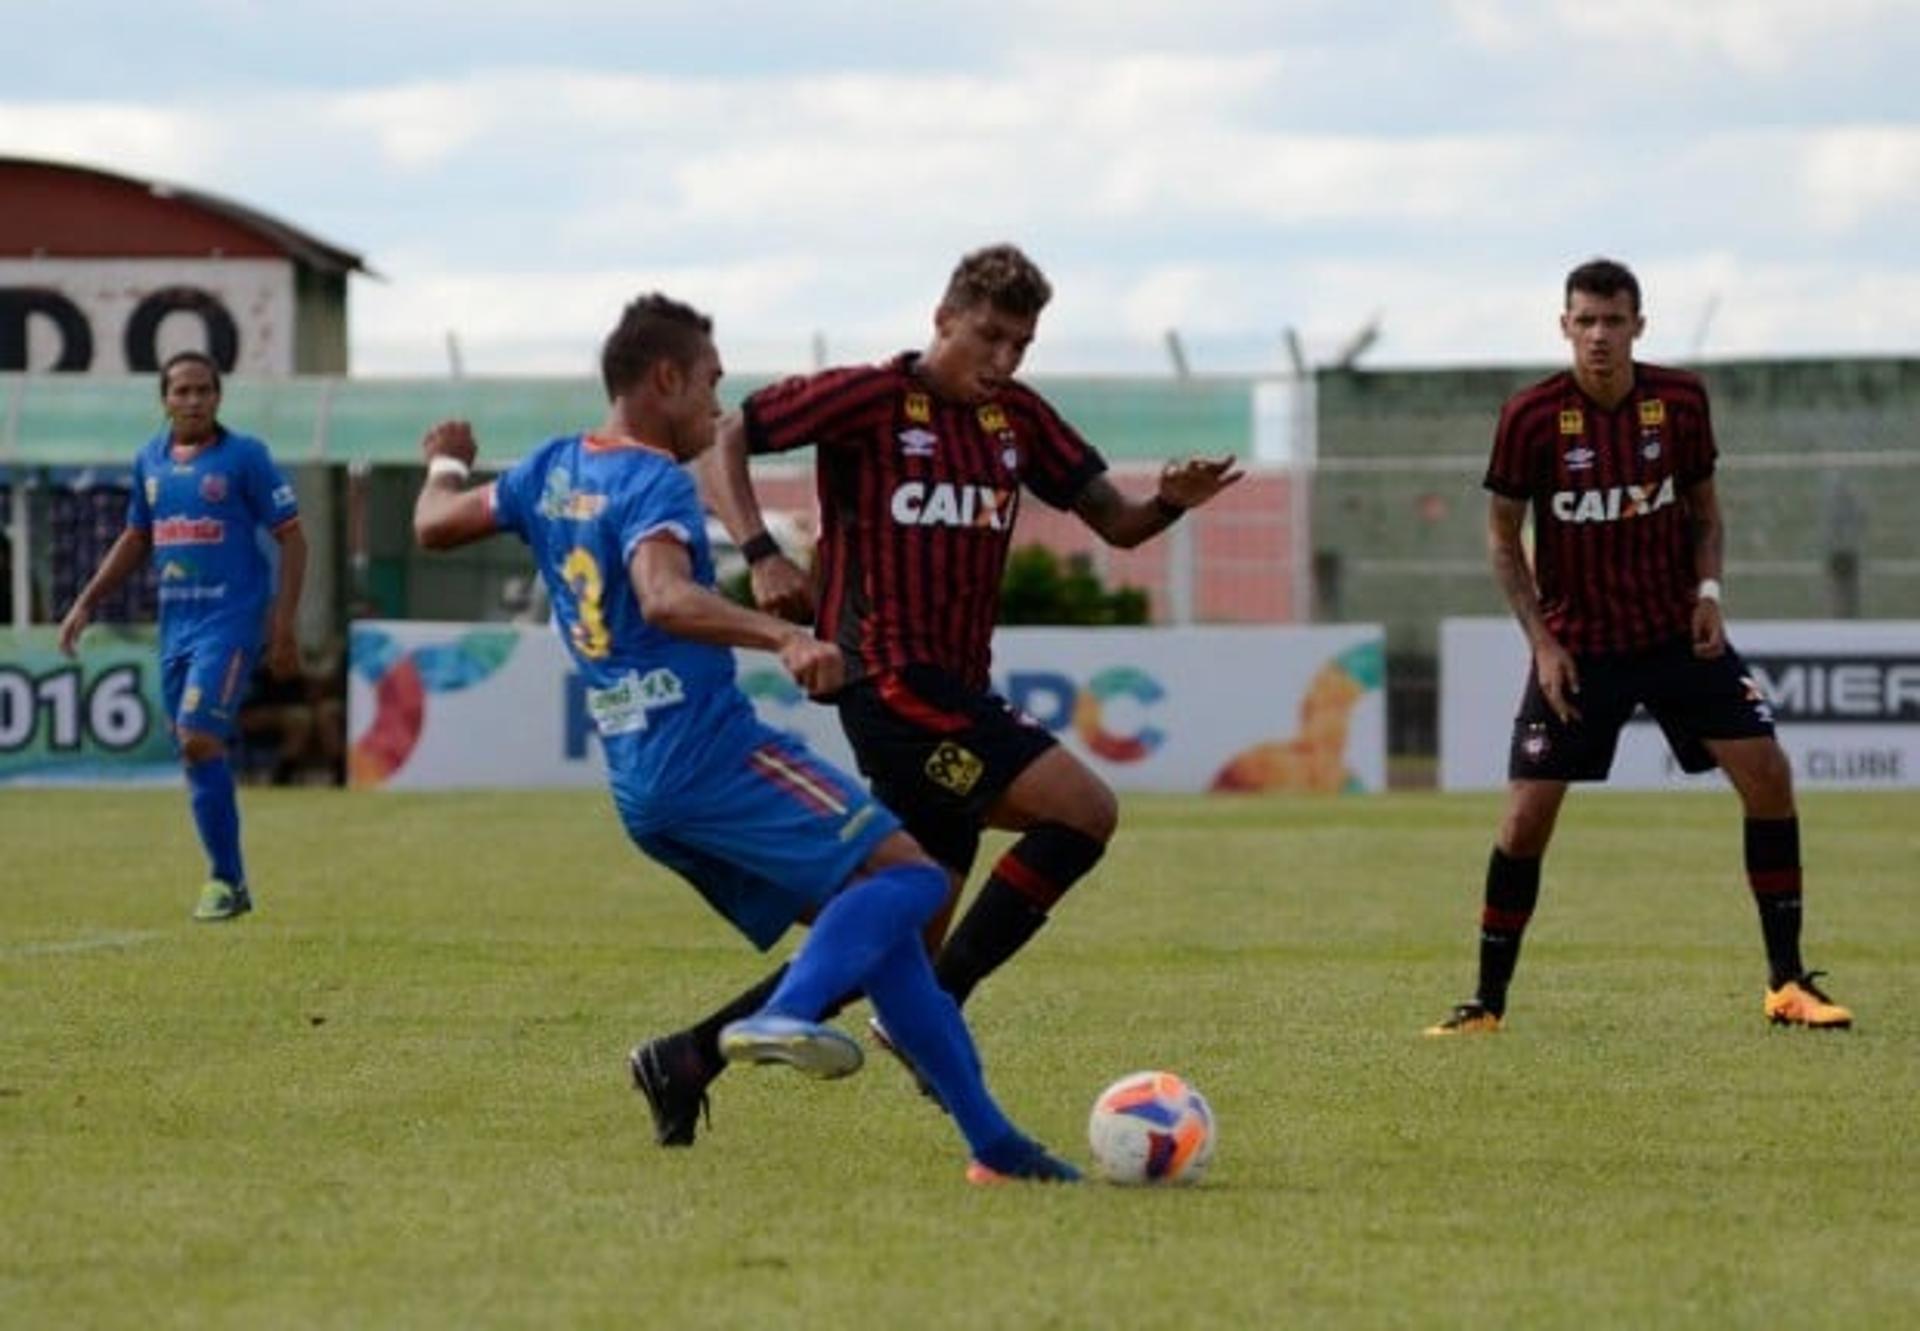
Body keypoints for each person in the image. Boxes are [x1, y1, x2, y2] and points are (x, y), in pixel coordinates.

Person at [410, 291, 1077, 1183]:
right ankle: (783, 1013)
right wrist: (788, 637)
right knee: (915, 877)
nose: (720, 409)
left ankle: (995, 1145)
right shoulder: (651, 482)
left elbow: (434, 525)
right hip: (712, 751)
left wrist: (447, 463)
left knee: (878, 932)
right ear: (666, 377)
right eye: (713, 385)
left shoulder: (550, 469)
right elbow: (665, 595)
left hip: (641, 779)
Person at [626, 242, 1240, 1138]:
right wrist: (759, 552)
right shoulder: (871, 398)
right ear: (943, 320)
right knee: (1084, 810)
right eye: (988, 337)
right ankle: (935, 1013)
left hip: (954, 687)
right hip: (889, 681)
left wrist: (1172, 500)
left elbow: (1116, 521)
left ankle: (685, 1056)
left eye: (1020, 344)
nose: (1002, 361)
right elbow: (726, 437)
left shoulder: (1018, 419)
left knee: (893, 933)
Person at [1424, 258, 1852, 1035]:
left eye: (1612, 320)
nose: (1598, 336)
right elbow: (1499, 540)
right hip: (1580, 649)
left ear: (1638, 327)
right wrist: (1542, 643)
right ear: (1564, 327)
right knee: (1524, 820)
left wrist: (1711, 595)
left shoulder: (1681, 401)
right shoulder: (1529, 417)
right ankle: (1486, 1003)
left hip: (1675, 635)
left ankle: (1788, 982)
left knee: (1769, 774)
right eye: (1583, 321)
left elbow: (1707, 515)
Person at [58, 350, 306, 921]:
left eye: (203, 390)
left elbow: (294, 538)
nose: (193, 400)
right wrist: (87, 602)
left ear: (218, 397)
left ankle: (223, 878)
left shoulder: (246, 457)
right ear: (164, 399)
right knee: (194, 753)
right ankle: (233, 885)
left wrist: (283, 622)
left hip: (232, 619)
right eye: (181, 391)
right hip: (176, 627)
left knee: (197, 736)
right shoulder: (149, 461)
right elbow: (136, 538)